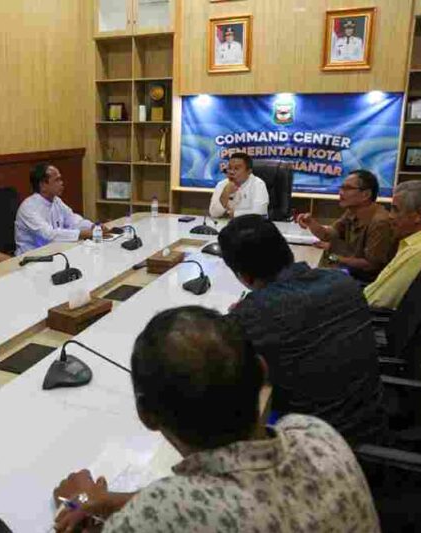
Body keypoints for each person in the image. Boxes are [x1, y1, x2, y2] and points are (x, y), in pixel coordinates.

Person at [52, 306, 380, 532]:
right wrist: (106, 501)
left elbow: (174, 508)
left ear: (146, 416)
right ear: (261, 372)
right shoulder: (315, 432)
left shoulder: (161, 516)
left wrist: (79, 501)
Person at [221, 215, 386, 445]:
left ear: (245, 277)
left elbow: (214, 354)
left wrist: (243, 313)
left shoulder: (255, 313)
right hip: (373, 417)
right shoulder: (344, 282)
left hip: (320, 446)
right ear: (287, 251)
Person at [365, 180, 421, 309]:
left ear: (418, 215)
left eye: (395, 210)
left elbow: (376, 300)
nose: (390, 216)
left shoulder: (420, 252)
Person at [296, 169, 396, 282]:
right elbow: (328, 235)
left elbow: (370, 265)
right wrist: (311, 223)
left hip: (367, 283)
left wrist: (333, 257)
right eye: (341, 188)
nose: (341, 193)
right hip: (351, 274)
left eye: (347, 189)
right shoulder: (351, 212)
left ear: (366, 194)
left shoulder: (380, 222)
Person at [15, 163, 106, 255]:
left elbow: (73, 220)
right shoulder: (28, 208)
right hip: (31, 258)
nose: (61, 183)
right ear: (43, 185)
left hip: (54, 252)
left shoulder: (56, 201)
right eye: (57, 180)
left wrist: (92, 227)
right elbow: (49, 235)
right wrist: (83, 234)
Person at [208, 152, 269, 218]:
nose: (231, 172)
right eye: (230, 168)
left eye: (236, 169)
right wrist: (225, 193)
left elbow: (259, 211)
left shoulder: (258, 184)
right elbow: (213, 213)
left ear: (249, 171)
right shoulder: (222, 185)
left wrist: (234, 214)